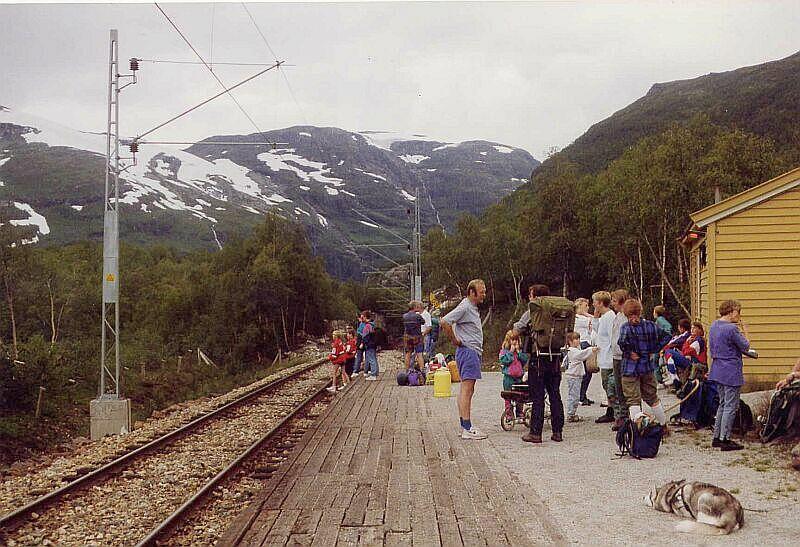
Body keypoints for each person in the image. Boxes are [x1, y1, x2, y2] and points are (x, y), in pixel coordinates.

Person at [513, 284, 565, 444]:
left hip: (538, 356)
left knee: (538, 396)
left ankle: (535, 432)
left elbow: (517, 329)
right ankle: (557, 432)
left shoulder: (534, 311)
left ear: (535, 297)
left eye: (530, 294)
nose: (529, 298)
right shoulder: (556, 311)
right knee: (555, 393)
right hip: (555, 356)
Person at [441, 279, 487, 440]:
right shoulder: (466, 306)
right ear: (472, 293)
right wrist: (455, 340)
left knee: (466, 389)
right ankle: (467, 428)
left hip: (469, 351)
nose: (484, 295)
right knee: (467, 390)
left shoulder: (471, 307)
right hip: (468, 351)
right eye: (481, 292)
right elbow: (445, 321)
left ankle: (464, 426)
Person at [617, 299, 672, 428]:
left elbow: (622, 343)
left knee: (632, 400)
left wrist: (630, 352)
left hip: (630, 368)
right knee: (652, 397)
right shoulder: (651, 326)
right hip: (646, 366)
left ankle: (638, 429)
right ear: (640, 311)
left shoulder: (626, 327)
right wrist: (654, 349)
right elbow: (667, 335)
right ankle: (663, 425)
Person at [708, 300, 750, 451]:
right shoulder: (732, 329)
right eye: (738, 312)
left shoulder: (713, 325)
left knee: (722, 403)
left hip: (717, 368)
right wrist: (745, 330)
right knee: (731, 405)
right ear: (731, 312)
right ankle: (725, 439)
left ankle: (717, 437)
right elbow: (745, 345)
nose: (739, 316)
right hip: (731, 370)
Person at [591, 291, 619, 426]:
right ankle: (611, 410)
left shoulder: (610, 317)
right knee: (606, 385)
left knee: (610, 386)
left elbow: (612, 337)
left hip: (608, 358)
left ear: (601, 303)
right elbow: (599, 331)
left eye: (595, 301)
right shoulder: (604, 317)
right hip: (603, 357)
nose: (593, 304)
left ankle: (616, 413)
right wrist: (595, 318)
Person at [563, 332, 598, 422]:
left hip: (576, 376)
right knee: (574, 396)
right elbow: (582, 355)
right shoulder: (573, 351)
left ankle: (572, 413)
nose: (578, 340)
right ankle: (570, 414)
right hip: (573, 376)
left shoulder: (573, 350)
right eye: (576, 339)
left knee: (575, 395)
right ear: (570, 341)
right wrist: (591, 350)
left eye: (578, 338)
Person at [610, 289, 630, 431]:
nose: (612, 303)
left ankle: (628, 416)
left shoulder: (626, 317)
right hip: (616, 356)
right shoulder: (617, 316)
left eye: (614, 301)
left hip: (624, 356)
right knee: (618, 387)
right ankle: (622, 416)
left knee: (626, 387)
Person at [499, 330, 527, 421]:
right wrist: (510, 352)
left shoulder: (519, 352)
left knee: (520, 396)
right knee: (508, 396)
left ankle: (519, 412)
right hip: (508, 378)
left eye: (516, 340)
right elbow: (504, 361)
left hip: (518, 377)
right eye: (512, 340)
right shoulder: (504, 352)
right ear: (508, 341)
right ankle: (509, 413)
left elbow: (524, 360)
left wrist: (519, 353)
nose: (514, 342)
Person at [574, 298, 595, 406]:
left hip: (587, 343)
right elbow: (595, 320)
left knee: (588, 371)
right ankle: (580, 396)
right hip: (582, 344)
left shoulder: (582, 318)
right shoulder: (577, 318)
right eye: (585, 305)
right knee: (585, 372)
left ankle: (583, 394)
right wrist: (587, 314)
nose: (588, 307)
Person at [402, 301, 426, 371]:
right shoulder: (418, 316)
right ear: (414, 307)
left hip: (407, 337)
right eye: (417, 306)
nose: (418, 307)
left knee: (408, 354)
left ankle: (407, 370)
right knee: (419, 354)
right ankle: (422, 371)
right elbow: (423, 322)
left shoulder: (404, 316)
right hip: (417, 337)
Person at [652, 306, 672, 384]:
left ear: (656, 313)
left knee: (655, 362)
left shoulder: (659, 320)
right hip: (663, 343)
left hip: (660, 344)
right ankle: (659, 378)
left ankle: (658, 379)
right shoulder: (662, 320)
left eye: (654, 312)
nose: (653, 314)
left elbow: (666, 330)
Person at [362, 311, 380, 380]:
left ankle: (373, 374)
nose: (361, 318)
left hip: (369, 344)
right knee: (373, 358)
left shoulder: (367, 325)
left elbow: (365, 336)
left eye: (362, 316)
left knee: (371, 359)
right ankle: (375, 372)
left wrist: (363, 343)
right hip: (373, 344)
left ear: (365, 317)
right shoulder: (372, 324)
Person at [351, 312, 367, 378]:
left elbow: (363, 335)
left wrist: (361, 343)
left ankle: (356, 371)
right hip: (361, 342)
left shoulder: (362, 325)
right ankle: (367, 370)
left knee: (359, 357)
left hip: (361, 343)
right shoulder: (362, 324)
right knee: (364, 357)